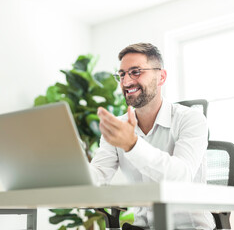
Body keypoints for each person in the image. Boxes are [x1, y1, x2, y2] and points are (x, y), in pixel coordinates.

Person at [89, 43, 215, 230]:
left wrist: (132, 145)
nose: (126, 82)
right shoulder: (118, 127)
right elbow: (98, 176)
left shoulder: (191, 119)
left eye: (136, 72)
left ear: (161, 77)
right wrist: (69, 167)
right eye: (122, 74)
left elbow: (181, 177)